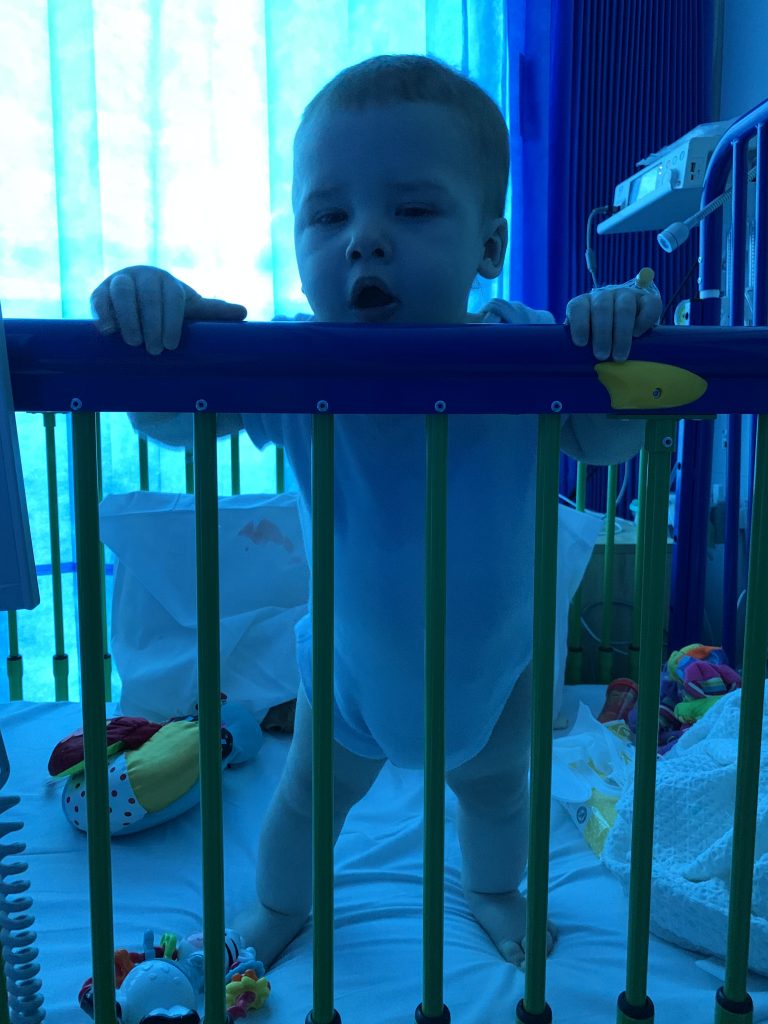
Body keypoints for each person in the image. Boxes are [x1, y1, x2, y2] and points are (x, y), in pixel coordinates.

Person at [91, 53, 659, 971]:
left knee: (500, 798)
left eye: (414, 208)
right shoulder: (299, 368)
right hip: (349, 681)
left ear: (489, 245)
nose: (365, 239)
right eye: (329, 214)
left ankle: (492, 890)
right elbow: (169, 414)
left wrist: (614, 336)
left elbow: (607, 440)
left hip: (503, 676)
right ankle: (276, 911)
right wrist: (156, 321)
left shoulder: (529, 357)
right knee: (305, 804)